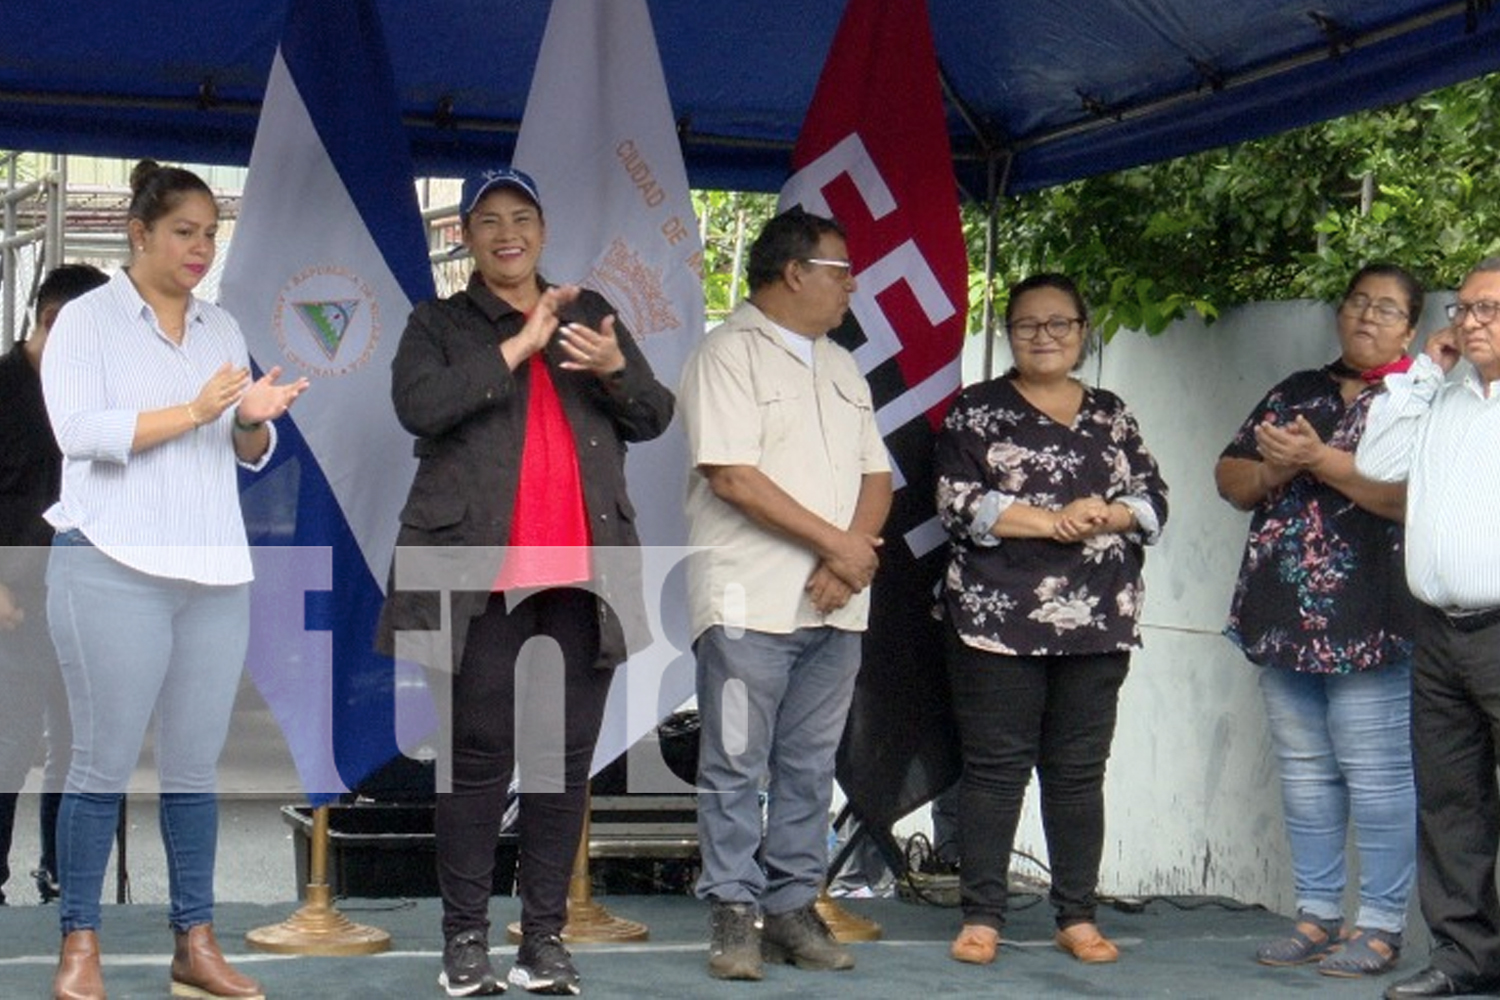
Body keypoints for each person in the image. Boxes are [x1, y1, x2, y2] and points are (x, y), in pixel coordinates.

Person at [375, 166, 673, 998]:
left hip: (583, 576)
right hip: (469, 577)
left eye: (523, 217)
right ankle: (463, 941)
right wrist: (520, 343)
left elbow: (653, 418)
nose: (508, 233)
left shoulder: (590, 312)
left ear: (542, 231)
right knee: (475, 762)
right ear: (465, 238)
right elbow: (419, 407)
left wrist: (615, 366)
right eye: (489, 220)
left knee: (562, 766)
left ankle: (542, 941)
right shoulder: (436, 322)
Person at [41, 160, 307, 1000]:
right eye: (184, 232)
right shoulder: (85, 322)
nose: (200, 248)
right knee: (103, 762)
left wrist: (252, 428)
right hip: (109, 560)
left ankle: (195, 939)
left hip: (214, 568)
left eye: (210, 235)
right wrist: (194, 412)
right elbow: (79, 433)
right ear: (139, 232)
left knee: (197, 769)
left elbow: (241, 454)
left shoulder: (224, 328)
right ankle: (78, 941)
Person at [677, 206, 891, 982]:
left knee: (809, 763)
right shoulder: (726, 355)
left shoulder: (841, 365)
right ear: (795, 272)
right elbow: (731, 475)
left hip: (835, 601)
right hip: (748, 598)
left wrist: (850, 559)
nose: (852, 285)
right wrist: (837, 546)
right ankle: (735, 911)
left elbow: (878, 475)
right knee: (736, 760)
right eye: (841, 270)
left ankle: (793, 906)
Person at [934, 273, 1168, 968]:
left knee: (1075, 773)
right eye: (1029, 326)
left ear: (1083, 330)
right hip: (995, 620)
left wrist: (1112, 513)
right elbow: (958, 501)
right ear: (1009, 334)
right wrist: (1056, 521)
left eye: (1060, 324)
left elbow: (1152, 498)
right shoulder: (976, 412)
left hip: (1099, 621)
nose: (1046, 337)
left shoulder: (1112, 413)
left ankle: (1077, 914)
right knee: (995, 771)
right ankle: (981, 915)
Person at [1215, 263, 1422, 978]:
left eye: (1387, 309)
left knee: (1378, 775)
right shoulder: (1295, 390)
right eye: (1358, 303)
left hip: (1373, 616)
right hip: (1281, 615)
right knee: (1305, 772)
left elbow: (1408, 500)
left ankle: (1384, 924)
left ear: (1412, 329)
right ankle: (1316, 914)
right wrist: (1276, 470)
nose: (1368, 317)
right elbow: (1230, 478)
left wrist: (1318, 460)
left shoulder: (1417, 397)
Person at [1356, 257, 1500, 1000]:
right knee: (1450, 799)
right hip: (1441, 632)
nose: (1471, 323)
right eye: (1464, 310)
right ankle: (1464, 957)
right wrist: (1417, 374)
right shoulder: (1437, 397)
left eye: (1489, 311)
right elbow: (1376, 461)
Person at [0, 263, 108, 909]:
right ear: (49, 321)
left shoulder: (94, 398)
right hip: (12, 601)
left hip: (88, 592)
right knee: (9, 742)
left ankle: (63, 873)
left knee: (81, 743)